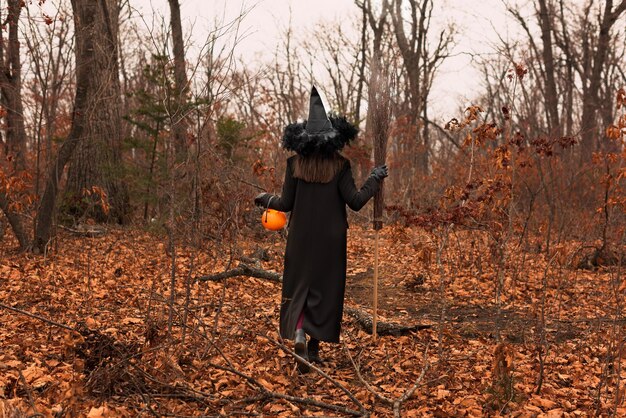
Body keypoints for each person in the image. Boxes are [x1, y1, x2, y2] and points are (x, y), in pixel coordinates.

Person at [254, 86, 388, 373]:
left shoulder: (294, 165)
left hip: (301, 238)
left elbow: (286, 204)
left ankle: (300, 335)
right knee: (326, 292)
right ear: (331, 139)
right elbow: (355, 202)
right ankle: (312, 348)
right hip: (331, 240)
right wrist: (374, 180)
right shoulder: (341, 165)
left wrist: (265, 199)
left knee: (299, 287)